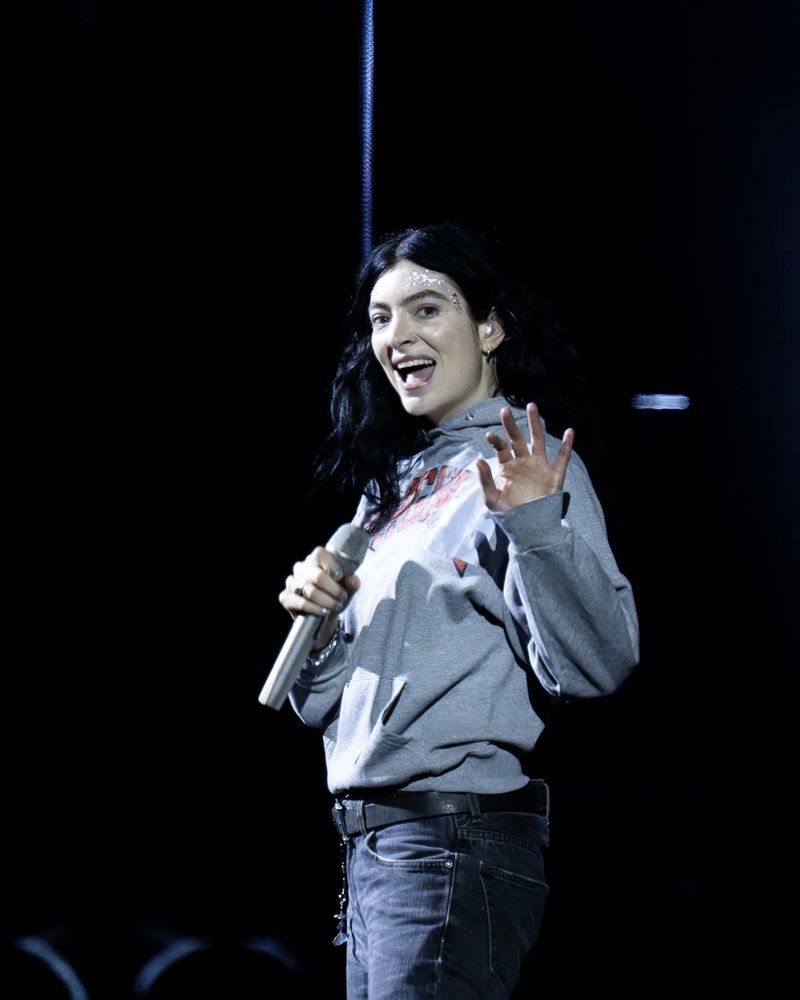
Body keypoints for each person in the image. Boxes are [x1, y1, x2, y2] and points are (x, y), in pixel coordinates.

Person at [277, 221, 639, 999]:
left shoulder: (522, 466)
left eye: (427, 309)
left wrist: (537, 525)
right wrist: (321, 626)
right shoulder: (395, 492)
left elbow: (598, 666)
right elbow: (320, 709)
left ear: (490, 326)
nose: (397, 336)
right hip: (375, 854)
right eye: (380, 318)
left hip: (451, 845)